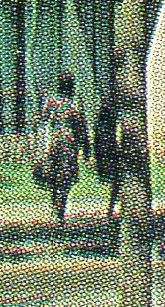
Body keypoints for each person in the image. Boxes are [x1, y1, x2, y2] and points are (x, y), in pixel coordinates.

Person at [34, 69, 90, 229]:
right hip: (67, 145)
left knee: (54, 176)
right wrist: (86, 148)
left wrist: (39, 146)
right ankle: (60, 207)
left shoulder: (49, 103)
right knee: (65, 178)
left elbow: (41, 124)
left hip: (51, 144)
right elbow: (81, 128)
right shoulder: (74, 105)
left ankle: (56, 205)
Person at [92, 93, 121, 238]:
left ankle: (111, 208)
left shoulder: (100, 127)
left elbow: (95, 143)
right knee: (117, 182)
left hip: (105, 156)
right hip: (112, 155)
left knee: (116, 183)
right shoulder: (109, 129)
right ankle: (111, 208)